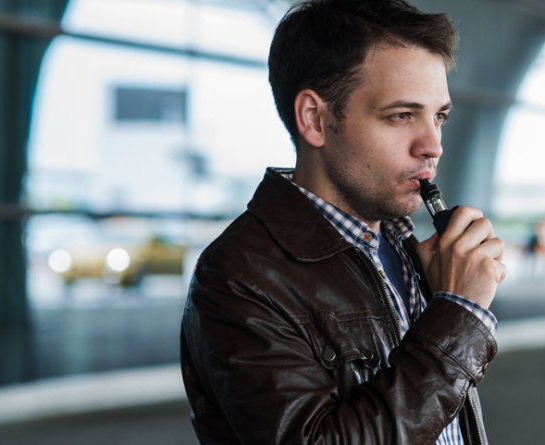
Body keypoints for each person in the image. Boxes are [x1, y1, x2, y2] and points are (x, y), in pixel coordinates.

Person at [179, 1, 506, 444]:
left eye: (439, 116)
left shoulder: (407, 248)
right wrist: (458, 315)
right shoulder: (240, 276)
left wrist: (449, 306)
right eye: (401, 116)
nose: (433, 145)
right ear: (315, 119)